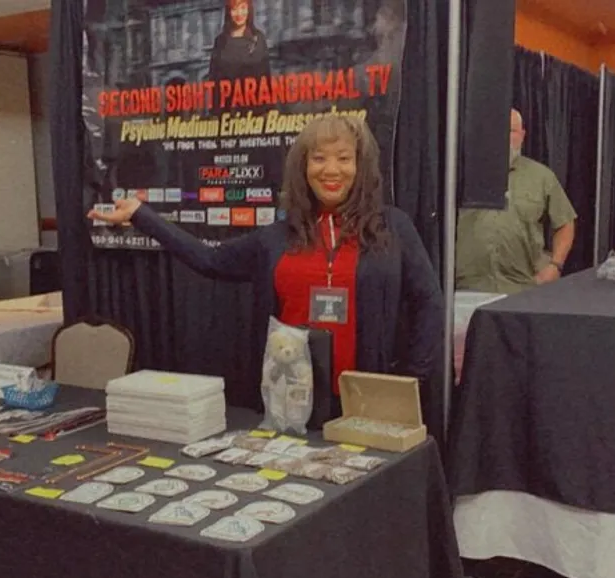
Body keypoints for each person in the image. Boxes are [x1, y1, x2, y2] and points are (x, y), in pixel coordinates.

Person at [90, 114, 443, 402]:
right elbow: (209, 260)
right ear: (303, 168)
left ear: (360, 166)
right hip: (289, 400)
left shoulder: (393, 228)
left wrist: (409, 378)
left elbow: (429, 302)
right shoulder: (277, 236)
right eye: (319, 158)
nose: (331, 170)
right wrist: (142, 215)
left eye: (344, 158)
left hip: (369, 399)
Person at [455, 109, 577, 294]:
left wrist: (555, 265)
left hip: (523, 288)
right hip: (468, 288)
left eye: (510, 131)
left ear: (522, 135)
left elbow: (565, 223)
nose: (502, 138)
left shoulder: (541, 177)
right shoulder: (460, 175)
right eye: (496, 130)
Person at [208, 0, 271, 85]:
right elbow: (213, 79)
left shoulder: (259, 38)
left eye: (243, 7)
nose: (239, 13)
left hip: (253, 96)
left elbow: (266, 76)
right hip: (227, 96)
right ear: (228, 12)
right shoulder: (220, 42)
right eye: (234, 9)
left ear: (249, 10)